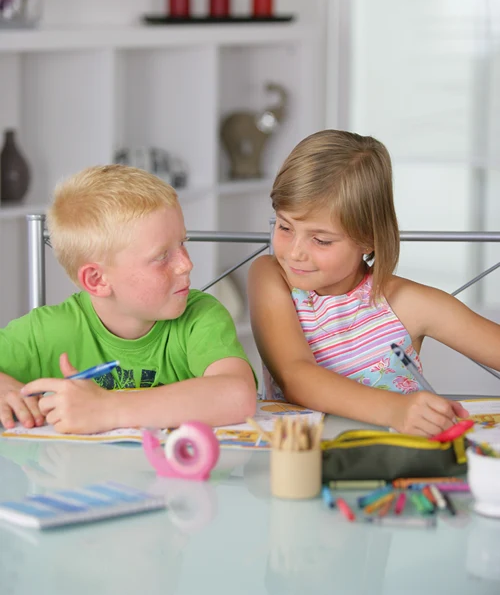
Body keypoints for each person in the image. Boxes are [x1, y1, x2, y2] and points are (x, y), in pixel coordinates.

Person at [248, 130, 500, 436]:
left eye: (321, 240)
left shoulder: (409, 303)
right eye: (285, 226)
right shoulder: (270, 276)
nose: (294, 252)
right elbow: (296, 377)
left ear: (368, 239)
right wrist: (396, 409)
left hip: (398, 460)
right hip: (301, 463)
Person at [0, 165, 257, 434]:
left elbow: (238, 395)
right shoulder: (48, 331)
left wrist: (107, 408)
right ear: (97, 280)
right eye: (161, 256)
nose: (186, 264)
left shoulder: (201, 317)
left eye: (183, 242)